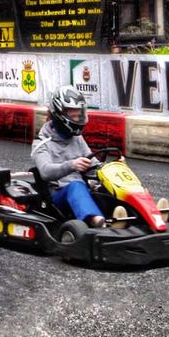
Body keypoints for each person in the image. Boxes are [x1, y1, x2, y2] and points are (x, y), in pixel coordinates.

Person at [31, 85, 108, 229]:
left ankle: (139, 216)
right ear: (60, 114)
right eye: (73, 116)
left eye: (78, 115)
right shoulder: (41, 142)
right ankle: (96, 221)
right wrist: (71, 165)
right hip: (58, 196)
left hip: (82, 190)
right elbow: (45, 171)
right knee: (76, 186)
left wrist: (111, 170)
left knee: (108, 187)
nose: (77, 119)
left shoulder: (76, 138)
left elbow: (93, 166)